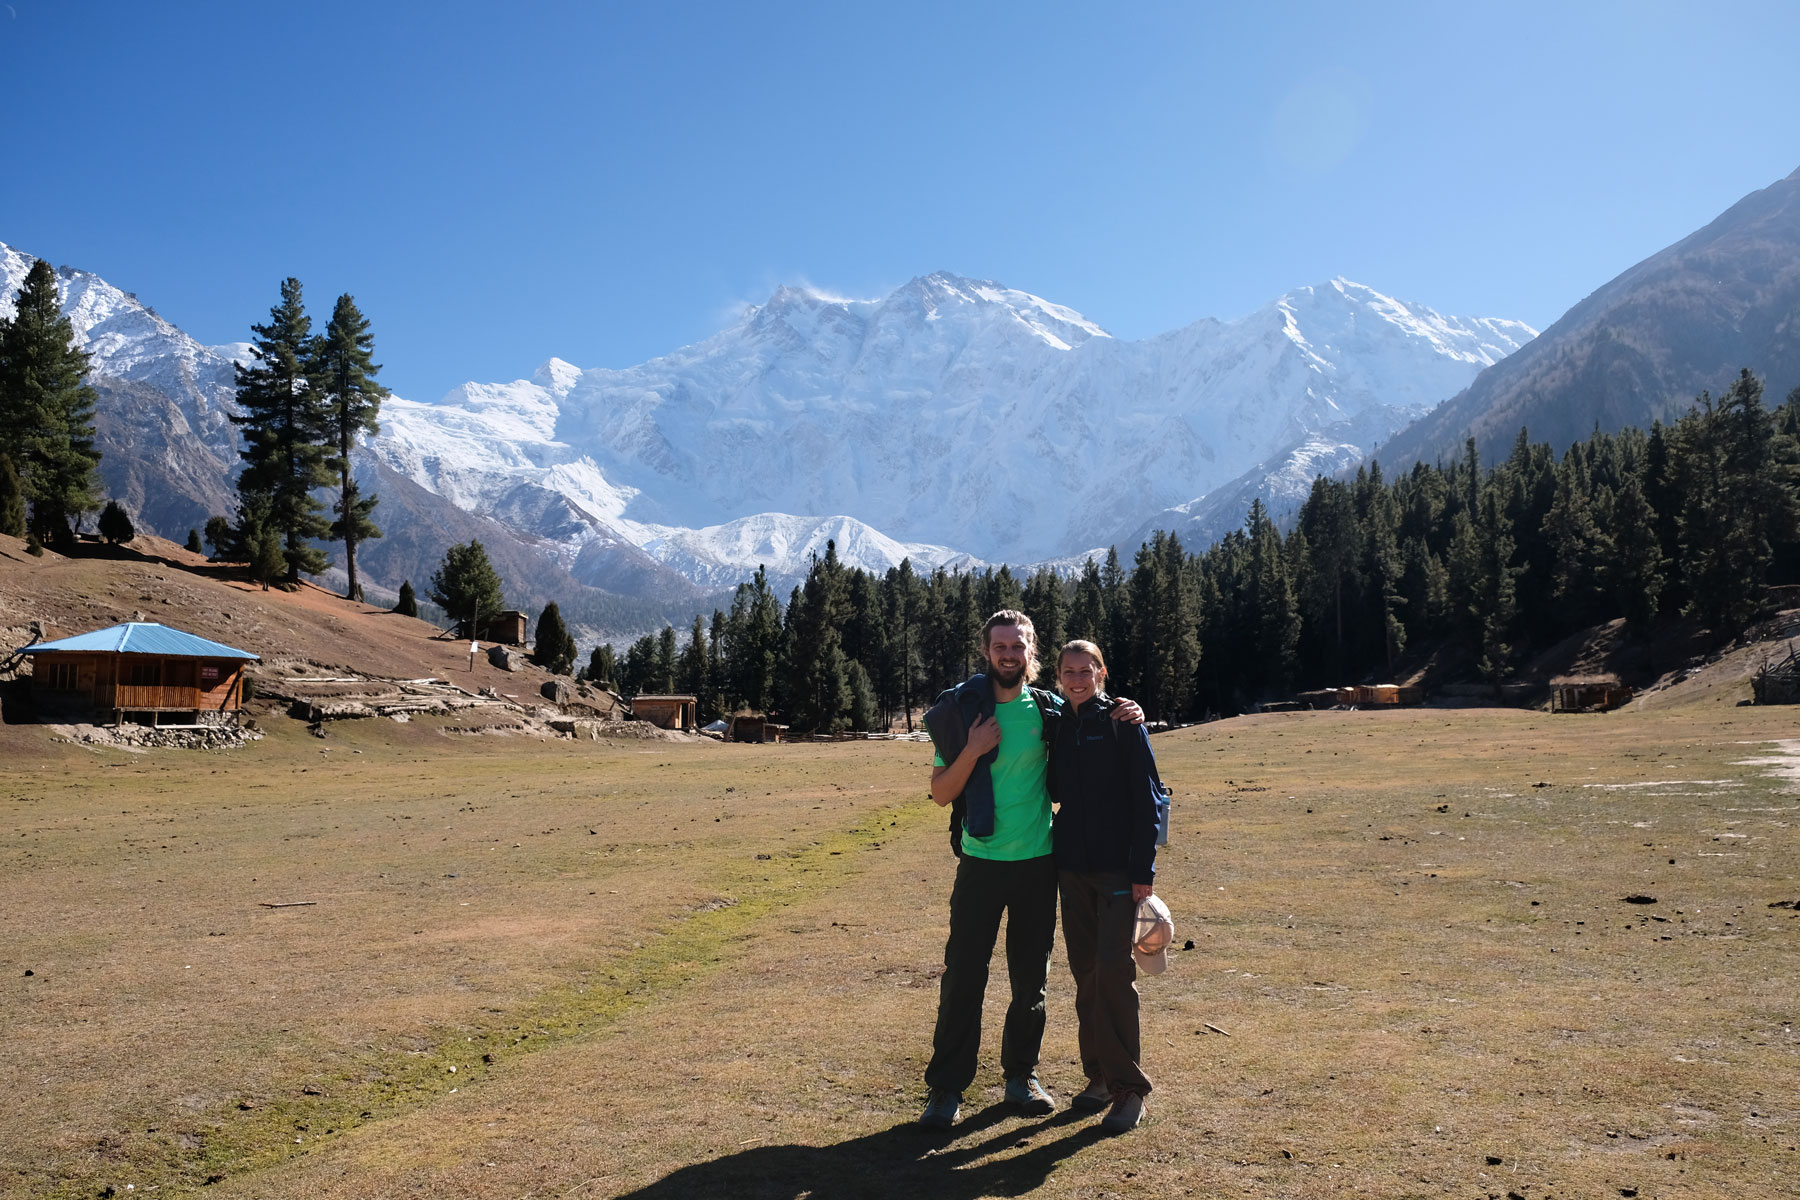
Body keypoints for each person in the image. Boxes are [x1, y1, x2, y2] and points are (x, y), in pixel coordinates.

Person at [917, 610, 1140, 1130]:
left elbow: (1093, 718)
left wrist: (1127, 711)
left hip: (1039, 864)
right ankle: (947, 1089)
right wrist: (973, 750)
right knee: (964, 977)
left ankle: (1021, 1077)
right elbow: (939, 793)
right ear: (987, 651)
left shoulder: (1050, 710)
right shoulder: (960, 710)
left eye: (1017, 645)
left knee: (1030, 982)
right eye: (1000, 646)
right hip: (980, 863)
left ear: (1031, 650)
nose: (1008, 654)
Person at [1047, 639, 1161, 1134]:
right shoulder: (1056, 724)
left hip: (1118, 872)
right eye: (1068, 671)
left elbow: (1149, 799)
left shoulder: (1122, 724)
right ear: (1058, 676)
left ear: (1101, 672)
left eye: (1085, 670)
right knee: (1086, 972)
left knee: (1115, 972)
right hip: (1071, 870)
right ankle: (1097, 1077)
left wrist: (1143, 873)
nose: (1077, 678)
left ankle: (1129, 1089)